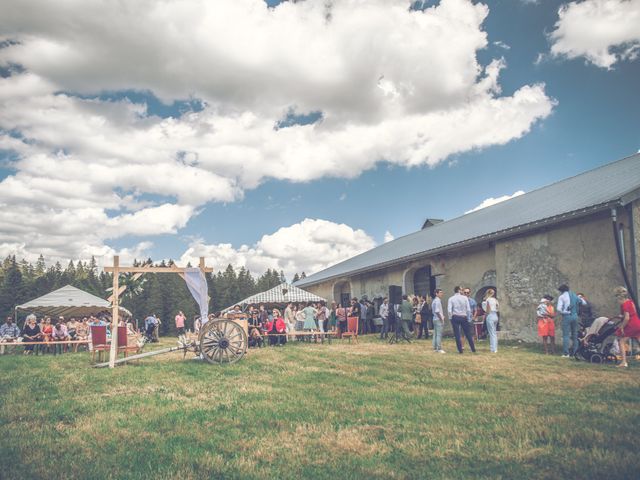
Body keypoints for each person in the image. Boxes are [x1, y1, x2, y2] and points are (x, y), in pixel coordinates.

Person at [613, 287, 640, 368]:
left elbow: (627, 318)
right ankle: (624, 362)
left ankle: (624, 362)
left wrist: (622, 327)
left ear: (619, 297)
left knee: (621, 342)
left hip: (631, 324)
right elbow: (633, 312)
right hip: (637, 322)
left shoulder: (624, 304)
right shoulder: (630, 302)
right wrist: (622, 316)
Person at [557, 284, 585, 357]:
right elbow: (584, 303)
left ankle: (566, 353)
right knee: (575, 335)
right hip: (575, 316)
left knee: (566, 335)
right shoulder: (574, 295)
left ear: (561, 291)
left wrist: (565, 311)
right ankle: (575, 353)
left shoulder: (562, 297)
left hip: (567, 316)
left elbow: (558, 309)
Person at [447, 286, 476, 354]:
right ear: (459, 290)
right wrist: (468, 318)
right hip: (463, 317)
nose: (463, 290)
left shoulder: (451, 298)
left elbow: (449, 310)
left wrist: (450, 318)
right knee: (468, 333)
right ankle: (473, 349)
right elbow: (468, 309)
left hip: (455, 316)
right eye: (462, 289)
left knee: (457, 334)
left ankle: (460, 350)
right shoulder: (465, 298)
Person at [482, 289, 499, 353]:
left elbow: (488, 310)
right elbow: (497, 308)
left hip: (490, 316)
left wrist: (485, 315)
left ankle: (493, 349)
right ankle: (495, 348)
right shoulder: (495, 300)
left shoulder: (487, 300)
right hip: (495, 315)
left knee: (491, 333)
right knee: (494, 333)